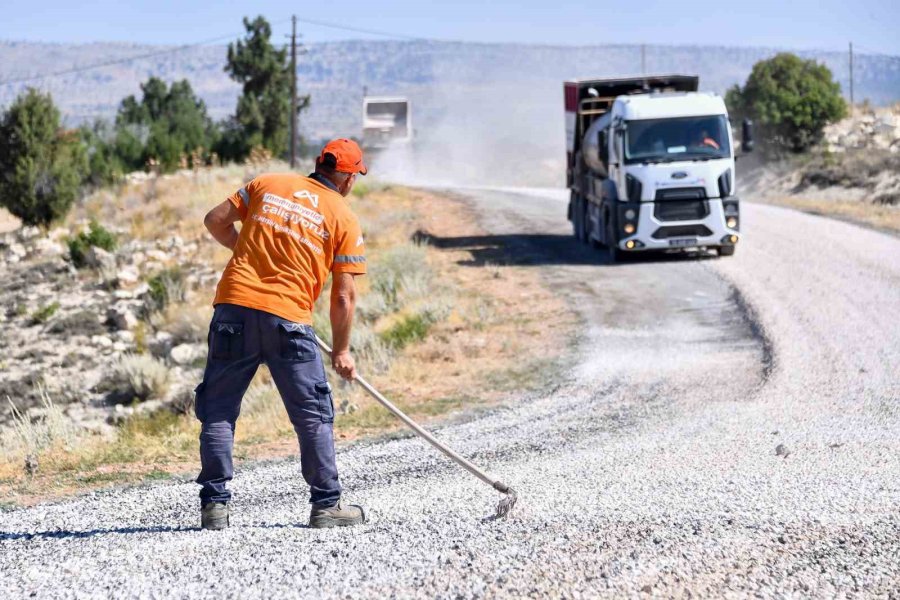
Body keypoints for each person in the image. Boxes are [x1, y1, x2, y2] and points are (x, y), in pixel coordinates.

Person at [195, 139, 368, 530]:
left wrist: (248, 253)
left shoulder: (266, 183)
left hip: (233, 310)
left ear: (317, 164)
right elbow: (343, 295)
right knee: (312, 415)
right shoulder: (343, 216)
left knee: (219, 409)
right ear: (345, 177)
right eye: (355, 176)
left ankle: (214, 508)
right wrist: (342, 351)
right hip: (288, 320)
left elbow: (214, 221)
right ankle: (326, 505)